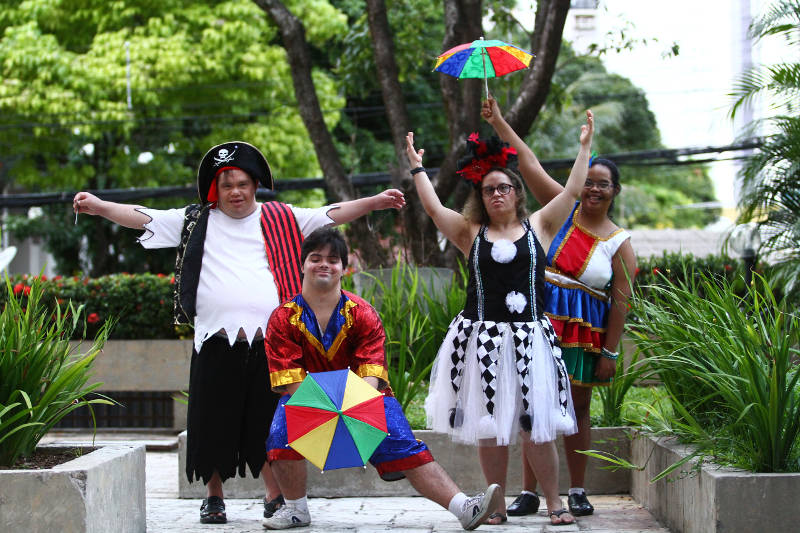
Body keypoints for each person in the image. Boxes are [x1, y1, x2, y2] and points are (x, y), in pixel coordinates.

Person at [72, 141, 406, 525]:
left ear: (255, 185)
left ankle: (275, 495)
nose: (235, 191)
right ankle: (213, 497)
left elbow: (329, 213)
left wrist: (374, 201)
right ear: (215, 188)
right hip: (213, 340)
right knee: (211, 421)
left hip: (272, 342)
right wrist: (98, 206)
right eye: (227, 183)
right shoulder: (196, 220)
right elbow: (143, 216)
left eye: (243, 183)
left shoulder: (281, 216)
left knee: (268, 421)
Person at [405, 108, 595, 526]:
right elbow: (435, 210)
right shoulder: (470, 232)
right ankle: (495, 504)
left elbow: (573, 191)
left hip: (530, 338)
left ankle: (554, 503)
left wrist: (583, 149)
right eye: (489, 189)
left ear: (516, 192)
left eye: (504, 187)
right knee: (489, 427)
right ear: (481, 196)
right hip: (481, 338)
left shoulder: (540, 226)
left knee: (536, 428)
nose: (497, 194)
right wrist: (417, 168)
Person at [262, 227, 503, 530]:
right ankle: (296, 510)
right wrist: (326, 407)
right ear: (302, 265)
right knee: (281, 430)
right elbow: (289, 378)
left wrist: (347, 408)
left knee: (402, 440)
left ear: (343, 268)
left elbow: (372, 373)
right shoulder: (283, 318)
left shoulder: (363, 313)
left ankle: (464, 508)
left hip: (364, 396)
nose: (324, 264)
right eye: (316, 258)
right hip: (306, 396)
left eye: (333, 259)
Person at [482, 98, 637, 517]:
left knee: (578, 407)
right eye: (589, 181)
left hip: (586, 332)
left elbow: (621, 299)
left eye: (603, 183)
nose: (593, 188)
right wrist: (499, 123)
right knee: (532, 405)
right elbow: (528, 163)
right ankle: (530, 492)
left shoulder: (620, 242)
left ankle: (579, 489)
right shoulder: (561, 209)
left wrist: (609, 351)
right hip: (539, 320)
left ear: (614, 191)